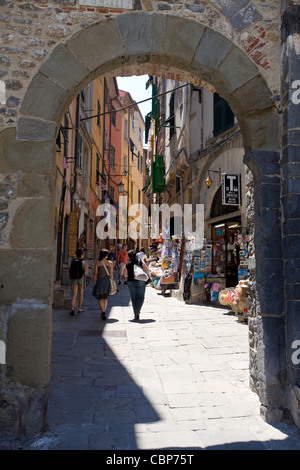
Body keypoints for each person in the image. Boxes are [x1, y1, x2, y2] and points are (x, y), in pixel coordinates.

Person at [124, 250, 150, 321]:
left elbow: (125, 274)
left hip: (131, 281)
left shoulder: (128, 264)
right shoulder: (140, 261)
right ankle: (138, 309)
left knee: (133, 298)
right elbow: (147, 270)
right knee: (141, 297)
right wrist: (147, 276)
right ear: (136, 255)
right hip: (141, 280)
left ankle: (136, 314)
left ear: (128, 256)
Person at [93, 249, 113, 320]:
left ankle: (103, 311)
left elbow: (95, 274)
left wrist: (93, 282)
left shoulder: (98, 263)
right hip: (107, 281)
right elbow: (111, 275)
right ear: (106, 255)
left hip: (100, 281)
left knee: (101, 297)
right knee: (105, 297)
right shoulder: (110, 263)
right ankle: (104, 311)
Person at [69, 248, 87, 316]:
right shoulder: (83, 261)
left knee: (74, 294)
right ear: (82, 254)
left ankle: (72, 308)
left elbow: (69, 270)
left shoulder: (73, 261)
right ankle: (79, 308)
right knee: (81, 293)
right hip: (81, 278)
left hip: (73, 278)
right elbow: (85, 271)